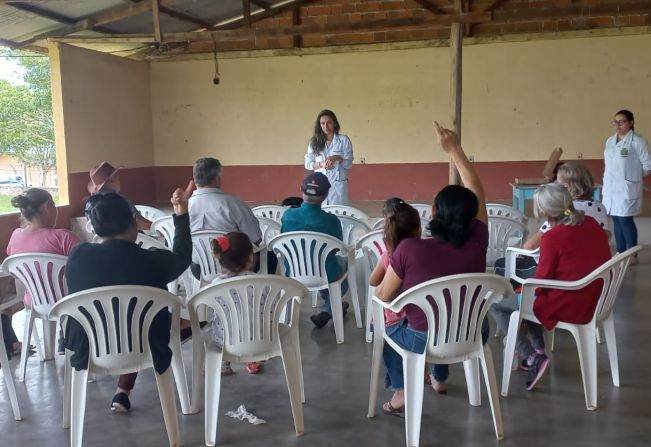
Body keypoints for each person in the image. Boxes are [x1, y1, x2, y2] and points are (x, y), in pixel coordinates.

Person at [375, 121, 490, 413]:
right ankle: (439, 377)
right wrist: (455, 150)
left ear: (434, 213)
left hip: (424, 339)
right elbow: (477, 191)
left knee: (387, 325)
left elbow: (384, 296)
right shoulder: (478, 239)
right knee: (445, 314)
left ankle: (401, 391)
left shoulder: (409, 249)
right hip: (474, 332)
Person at [64, 182, 194, 413]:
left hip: (89, 346)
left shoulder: (77, 256)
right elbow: (182, 257)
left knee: (122, 314)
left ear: (95, 226)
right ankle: (185, 326)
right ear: (134, 220)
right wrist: (181, 215)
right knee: (137, 318)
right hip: (143, 344)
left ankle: (121, 392)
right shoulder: (152, 261)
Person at [490, 183, 611, 391]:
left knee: (495, 302)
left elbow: (541, 282)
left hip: (569, 303)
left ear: (545, 213)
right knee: (525, 299)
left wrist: (519, 291)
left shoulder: (553, 237)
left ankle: (531, 356)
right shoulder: (591, 223)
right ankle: (538, 351)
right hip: (594, 297)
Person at [495, 160, 610, 281]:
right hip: (592, 270)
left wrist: (519, 254)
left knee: (501, 264)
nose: (554, 183)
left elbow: (530, 247)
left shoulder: (564, 211)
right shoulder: (599, 209)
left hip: (557, 270)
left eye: (556, 181)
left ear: (566, 187)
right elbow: (606, 237)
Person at [7, 188, 82, 355]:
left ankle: (48, 354)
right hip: (67, 301)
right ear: (48, 207)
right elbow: (85, 266)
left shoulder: (15, 236)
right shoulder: (64, 237)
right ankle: (74, 346)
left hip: (34, 301)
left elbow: (13, 272)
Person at [280, 172, 349, 328]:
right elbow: (337, 248)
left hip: (294, 273)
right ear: (325, 195)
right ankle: (330, 308)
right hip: (324, 274)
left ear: (301, 190)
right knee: (345, 266)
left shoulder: (288, 215)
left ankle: (331, 307)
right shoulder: (331, 221)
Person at [188, 158, 273, 274]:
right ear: (217, 178)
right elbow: (256, 239)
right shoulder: (233, 204)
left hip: (199, 269)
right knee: (270, 256)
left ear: (195, 179)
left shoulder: (185, 208)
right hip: (236, 267)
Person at [209, 232, 265, 376]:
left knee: (221, 324)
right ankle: (253, 357)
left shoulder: (215, 285)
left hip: (226, 342)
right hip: (262, 340)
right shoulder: (263, 282)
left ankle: (223, 364)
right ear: (251, 258)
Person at [602, 109, 651, 262]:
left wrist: (631, 177)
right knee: (616, 218)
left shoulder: (638, 141)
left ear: (631, 123)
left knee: (625, 219)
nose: (618, 125)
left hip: (626, 188)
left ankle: (631, 252)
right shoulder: (610, 140)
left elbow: (647, 165)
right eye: (615, 122)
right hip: (611, 188)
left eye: (622, 121)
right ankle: (620, 252)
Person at [304, 109, 354, 205]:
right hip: (319, 185)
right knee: (320, 215)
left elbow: (348, 165)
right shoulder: (314, 142)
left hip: (338, 186)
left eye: (329, 123)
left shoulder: (344, 140)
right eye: (322, 123)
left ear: (334, 123)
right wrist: (321, 164)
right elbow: (308, 164)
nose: (325, 126)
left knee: (339, 214)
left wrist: (337, 158)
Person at [86, 161, 152, 230]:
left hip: (99, 240)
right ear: (112, 179)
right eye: (118, 178)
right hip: (127, 239)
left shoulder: (89, 203)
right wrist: (158, 226)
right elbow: (140, 222)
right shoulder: (119, 200)